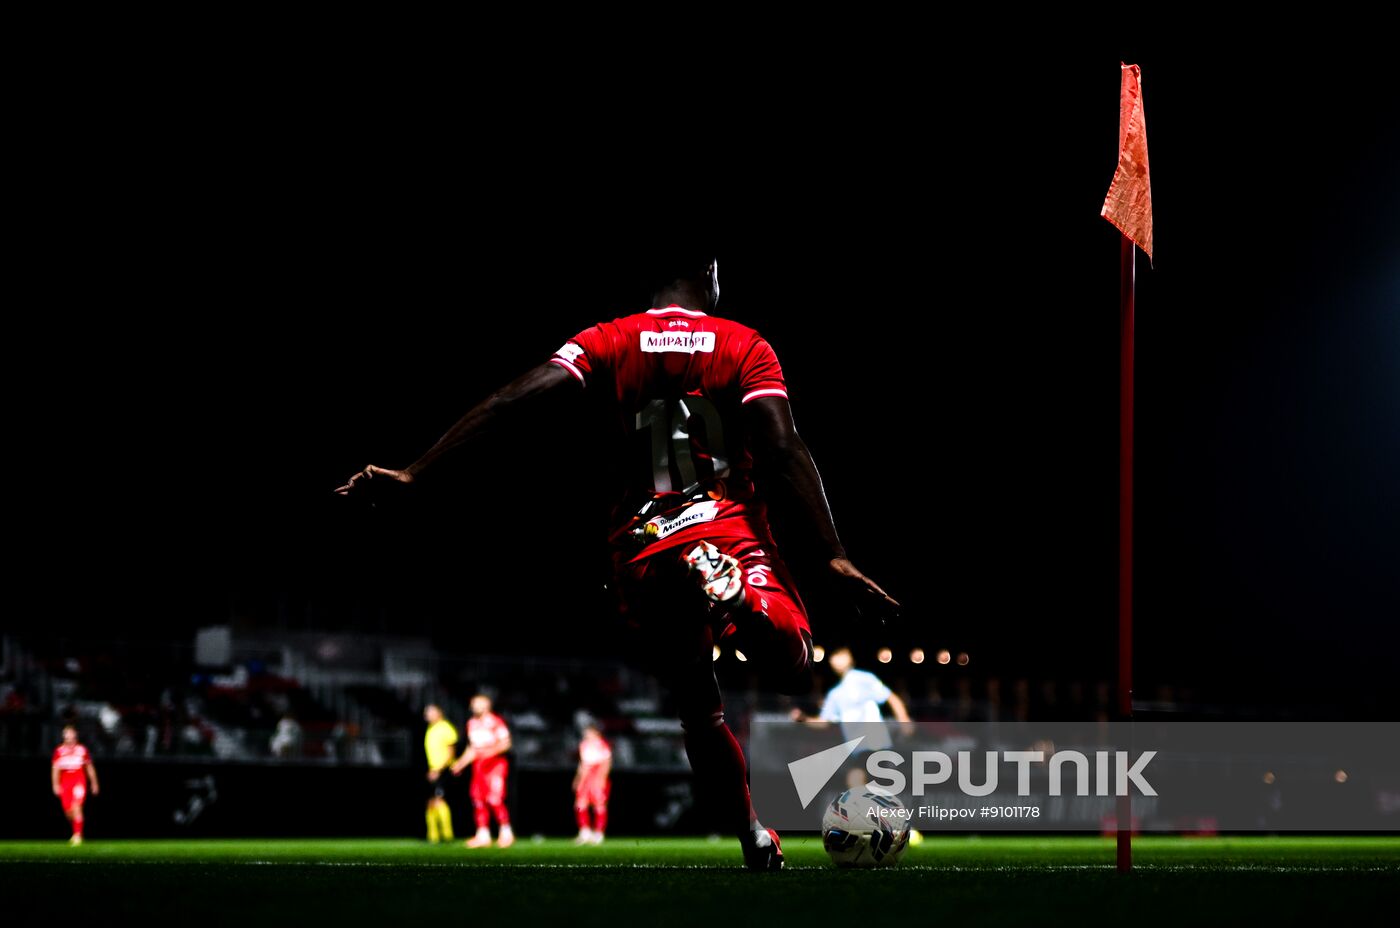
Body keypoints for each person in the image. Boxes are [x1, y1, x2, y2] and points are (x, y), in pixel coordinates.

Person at [337, 255, 898, 870]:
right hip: (728, 528)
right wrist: (833, 554)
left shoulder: (606, 339)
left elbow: (510, 403)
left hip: (643, 546)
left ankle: (754, 837)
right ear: (707, 275)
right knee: (792, 663)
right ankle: (737, 597)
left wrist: (418, 472)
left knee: (699, 711)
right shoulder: (744, 344)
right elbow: (782, 445)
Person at [792, 646, 912, 789]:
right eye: (834, 656)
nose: (836, 659)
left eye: (841, 654)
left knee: (862, 784)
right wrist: (804, 719)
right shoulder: (835, 694)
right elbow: (824, 722)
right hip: (858, 751)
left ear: (850, 657)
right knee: (857, 786)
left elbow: (891, 698)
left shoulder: (864, 678)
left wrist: (904, 720)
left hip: (877, 745)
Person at [450, 694, 513, 848]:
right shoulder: (471, 723)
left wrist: (488, 752)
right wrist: (460, 763)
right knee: (478, 799)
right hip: (478, 766)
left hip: (495, 765)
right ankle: (482, 835)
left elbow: (506, 744)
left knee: (494, 799)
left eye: (477, 703)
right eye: (473, 704)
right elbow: (472, 749)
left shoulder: (495, 722)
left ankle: (506, 833)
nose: (474, 706)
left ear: (487, 705)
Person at [51, 724, 99, 845]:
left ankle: (77, 835)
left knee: (77, 806)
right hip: (65, 782)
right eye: (67, 736)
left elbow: (89, 767)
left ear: (75, 736)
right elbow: (55, 769)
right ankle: (77, 829)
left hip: (78, 780)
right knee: (68, 812)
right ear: (64, 737)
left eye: (72, 736)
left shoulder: (82, 750)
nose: (70, 739)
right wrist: (55, 784)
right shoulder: (59, 751)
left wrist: (94, 783)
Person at [422, 704, 458, 843]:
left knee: (439, 800)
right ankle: (433, 835)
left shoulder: (445, 728)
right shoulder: (431, 729)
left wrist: (438, 769)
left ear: (439, 713)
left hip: (443, 770)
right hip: (433, 769)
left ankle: (447, 835)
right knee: (431, 801)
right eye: (426, 712)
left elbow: (450, 752)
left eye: (431, 712)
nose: (427, 715)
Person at [573, 723, 612, 845]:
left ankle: (599, 833)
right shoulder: (583, 745)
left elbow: (606, 762)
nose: (586, 735)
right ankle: (585, 832)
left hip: (596, 774)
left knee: (599, 804)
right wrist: (578, 779)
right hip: (586, 776)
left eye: (588, 732)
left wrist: (601, 778)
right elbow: (583, 764)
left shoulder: (602, 744)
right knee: (580, 804)